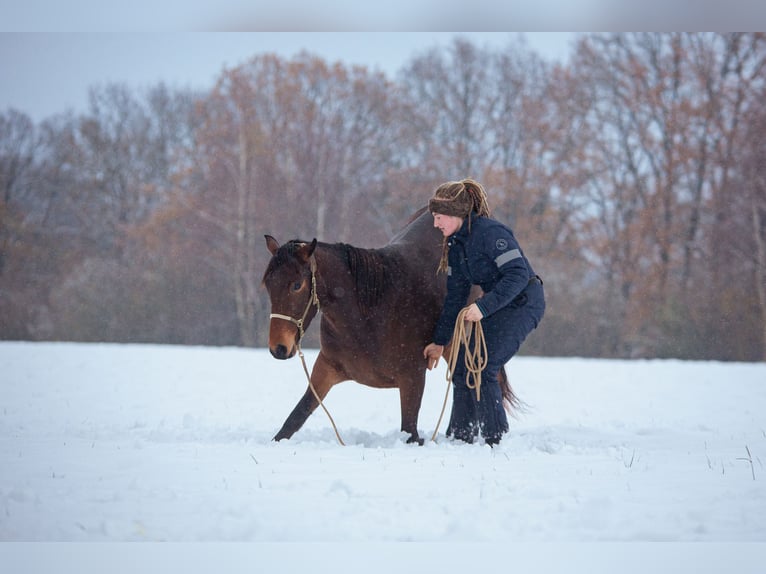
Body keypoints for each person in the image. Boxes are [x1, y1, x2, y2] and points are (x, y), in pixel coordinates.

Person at [423, 178, 545, 445]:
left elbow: (517, 275)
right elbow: (455, 296)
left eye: (439, 216)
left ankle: (495, 439)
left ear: (457, 213)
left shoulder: (492, 234)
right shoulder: (455, 246)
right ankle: (460, 436)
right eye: (434, 217)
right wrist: (440, 341)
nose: (436, 224)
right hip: (497, 304)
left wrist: (482, 307)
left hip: (524, 302)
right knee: (461, 368)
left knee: (484, 366)